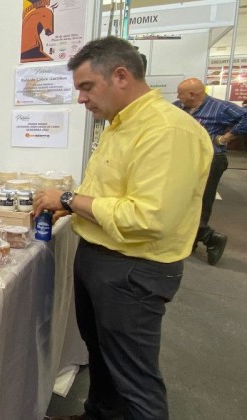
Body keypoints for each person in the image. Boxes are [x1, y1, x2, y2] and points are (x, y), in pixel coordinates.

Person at [36, 37, 212, 420]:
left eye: (86, 87)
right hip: (101, 258)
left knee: (134, 379)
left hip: (132, 269)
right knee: (101, 357)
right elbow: (112, 191)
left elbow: (149, 217)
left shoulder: (167, 130)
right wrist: (76, 206)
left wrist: (68, 200)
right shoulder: (119, 124)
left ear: (120, 76)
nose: (81, 99)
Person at [174, 78, 245, 265]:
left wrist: (226, 138)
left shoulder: (219, 108)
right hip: (187, 159)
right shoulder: (179, 107)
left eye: (180, 93)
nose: (177, 96)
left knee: (202, 201)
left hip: (211, 159)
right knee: (183, 200)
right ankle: (197, 239)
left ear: (193, 94)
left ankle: (209, 238)